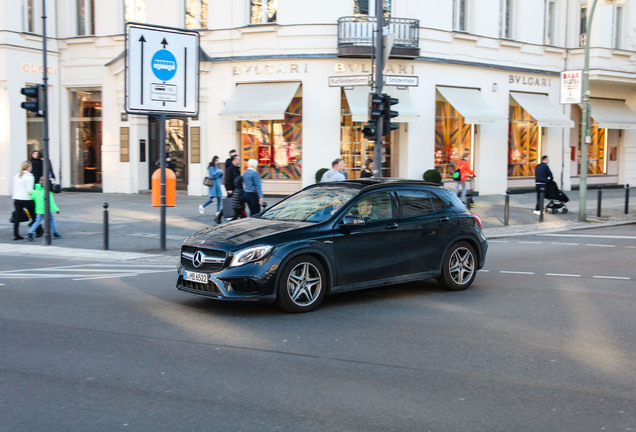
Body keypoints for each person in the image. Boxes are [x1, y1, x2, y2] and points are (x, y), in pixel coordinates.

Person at [27, 176, 62, 241]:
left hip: (39, 209)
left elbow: (32, 197)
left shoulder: (36, 191)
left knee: (37, 221)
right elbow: (51, 202)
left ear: (39, 182)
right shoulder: (47, 192)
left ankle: (30, 233)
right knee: (51, 220)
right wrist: (56, 209)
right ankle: (55, 233)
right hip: (46, 209)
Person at [12, 161, 36, 240]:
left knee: (17, 217)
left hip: (17, 198)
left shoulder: (17, 175)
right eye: (31, 167)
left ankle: (16, 234)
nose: (31, 168)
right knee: (34, 216)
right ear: (28, 167)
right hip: (27, 198)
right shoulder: (30, 176)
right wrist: (35, 195)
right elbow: (29, 190)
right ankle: (39, 230)